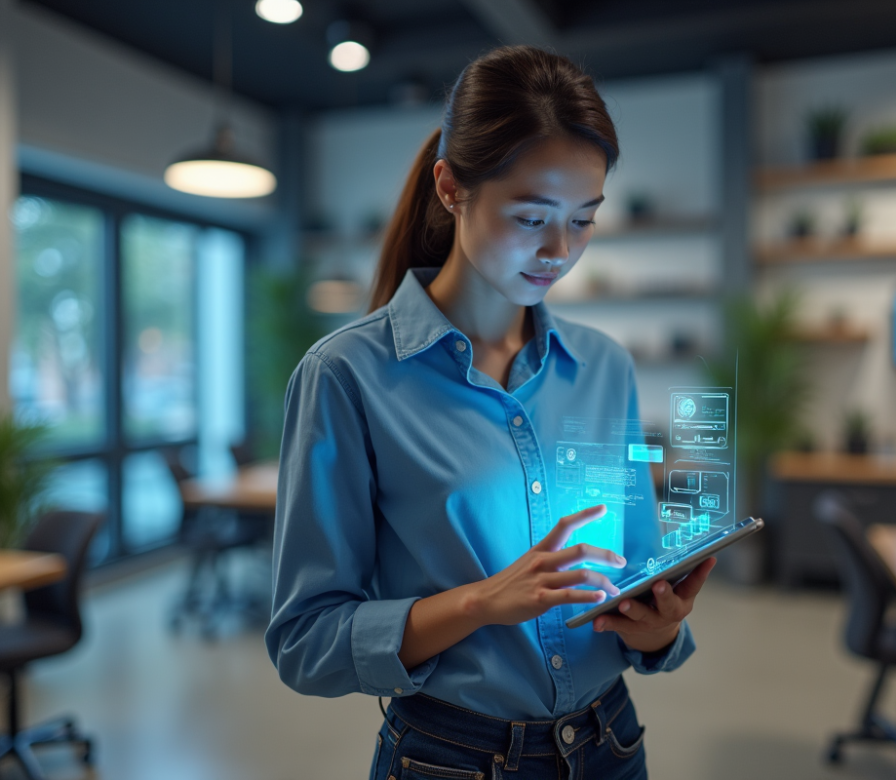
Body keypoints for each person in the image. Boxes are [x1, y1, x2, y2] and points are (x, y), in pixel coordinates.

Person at [266, 45, 716, 780]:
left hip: (613, 744)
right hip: (453, 760)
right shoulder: (347, 376)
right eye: (532, 216)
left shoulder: (606, 367)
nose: (559, 250)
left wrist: (661, 625)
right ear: (450, 187)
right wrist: (478, 603)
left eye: (583, 219)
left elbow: (634, 569)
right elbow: (305, 643)